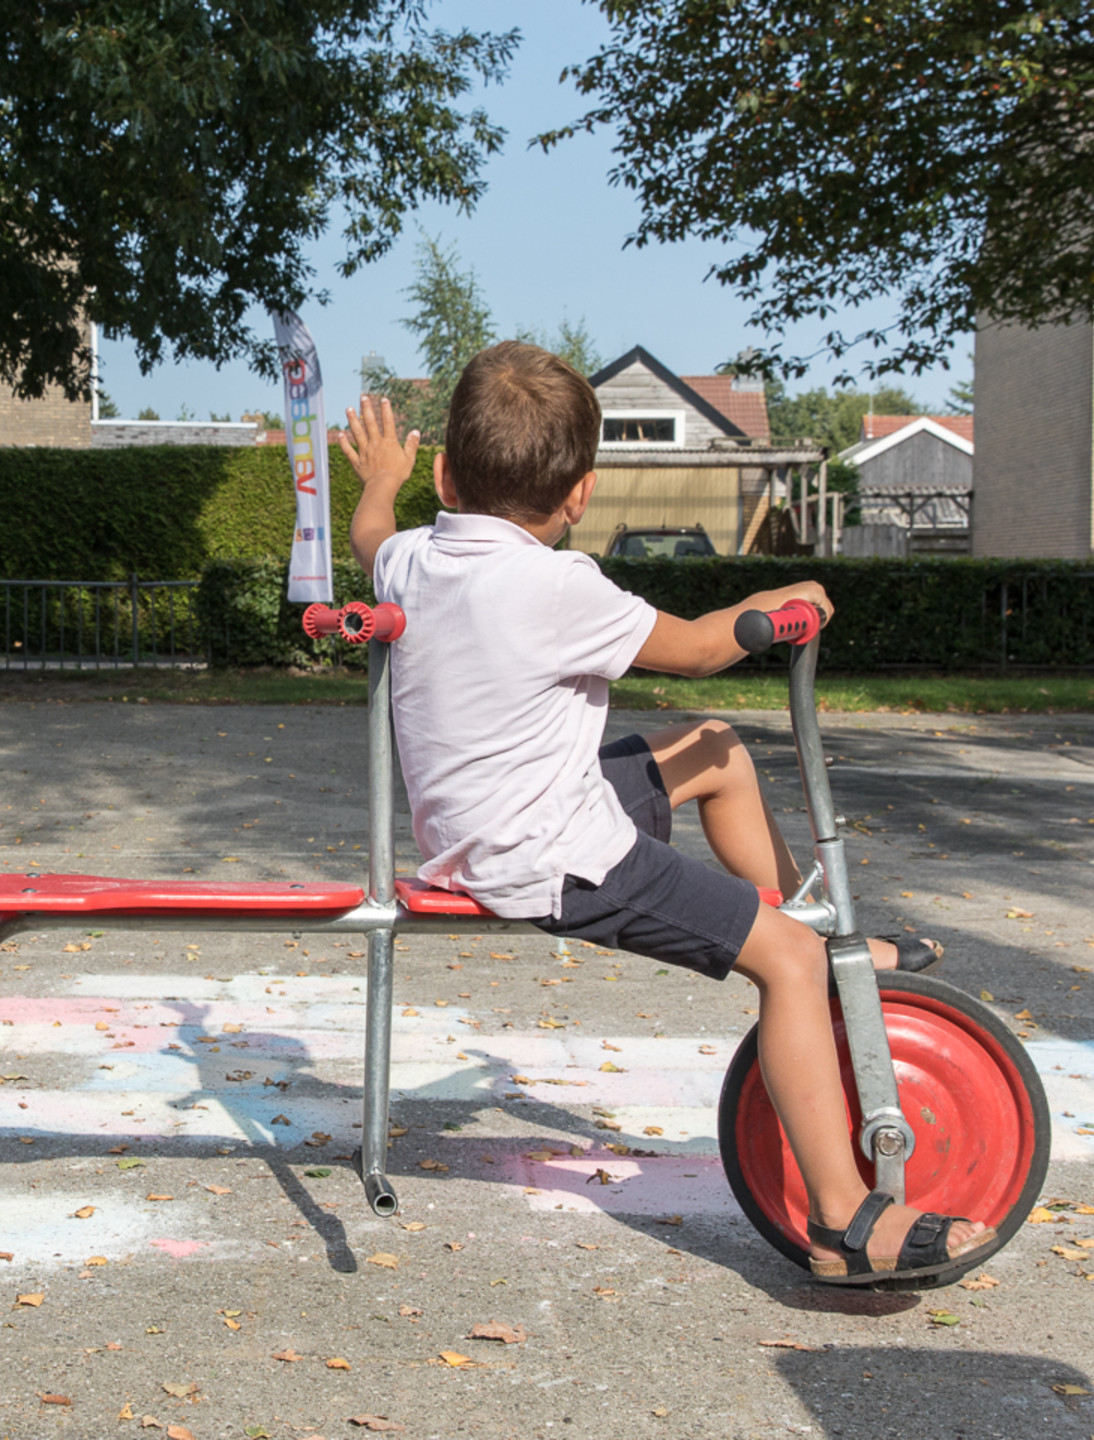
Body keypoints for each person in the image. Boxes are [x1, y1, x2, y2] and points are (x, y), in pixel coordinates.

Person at [339, 343, 990, 1284]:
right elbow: (692, 648)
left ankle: (811, 927)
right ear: (581, 495)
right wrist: (783, 596)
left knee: (718, 752)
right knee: (788, 966)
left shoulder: (412, 559)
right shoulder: (557, 585)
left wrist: (381, 480)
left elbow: (369, 534)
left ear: (443, 474)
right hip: (557, 857)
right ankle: (845, 1222)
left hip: (489, 825)